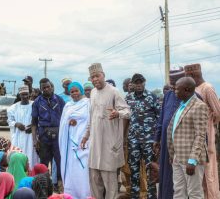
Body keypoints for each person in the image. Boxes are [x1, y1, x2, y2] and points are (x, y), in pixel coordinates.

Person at [80, 63, 131, 199]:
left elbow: (127, 111)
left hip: (109, 143)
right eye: (92, 77)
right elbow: (92, 117)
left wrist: (118, 113)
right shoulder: (92, 92)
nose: (95, 79)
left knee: (110, 184)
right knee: (95, 180)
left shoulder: (114, 91)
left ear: (103, 75)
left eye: (97, 76)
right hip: (95, 144)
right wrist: (86, 135)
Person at [168, 77, 208, 198]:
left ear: (187, 90)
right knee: (179, 192)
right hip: (177, 157)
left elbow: (200, 135)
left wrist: (192, 160)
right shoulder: (182, 105)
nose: (174, 91)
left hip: (191, 159)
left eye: (177, 89)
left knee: (194, 193)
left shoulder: (199, 106)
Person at [185, 63, 220, 199]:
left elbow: (217, 112)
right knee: (197, 173)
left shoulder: (207, 88)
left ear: (193, 75)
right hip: (193, 137)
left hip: (206, 135)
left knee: (208, 172)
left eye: (187, 76)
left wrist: (208, 124)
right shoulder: (192, 88)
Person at [125, 73, 160, 199]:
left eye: (141, 82)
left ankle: (151, 196)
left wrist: (157, 138)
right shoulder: (128, 98)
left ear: (144, 83)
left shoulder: (152, 97)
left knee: (150, 169)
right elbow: (126, 117)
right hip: (133, 140)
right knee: (133, 169)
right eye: (136, 83)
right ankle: (135, 195)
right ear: (133, 84)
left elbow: (159, 117)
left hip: (149, 140)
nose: (139, 85)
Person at [153, 67, 185, 199]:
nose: (172, 84)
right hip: (166, 143)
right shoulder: (168, 95)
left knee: (182, 180)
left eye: (175, 81)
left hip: (183, 145)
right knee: (166, 175)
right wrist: (157, 138)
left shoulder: (193, 97)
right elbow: (161, 119)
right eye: (171, 81)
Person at [31, 78, 65, 191]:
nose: (46, 89)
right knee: (44, 164)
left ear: (52, 87)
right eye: (43, 88)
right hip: (44, 136)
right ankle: (44, 188)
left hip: (58, 136)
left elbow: (65, 119)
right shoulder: (37, 102)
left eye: (48, 87)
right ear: (41, 89)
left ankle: (59, 186)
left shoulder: (59, 100)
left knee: (60, 162)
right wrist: (35, 140)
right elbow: (34, 123)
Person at [59, 82, 91, 198]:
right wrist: (69, 123)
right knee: (71, 168)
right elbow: (63, 123)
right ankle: (71, 194)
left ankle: (85, 194)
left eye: (76, 91)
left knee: (83, 168)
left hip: (84, 141)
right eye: (72, 92)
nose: (74, 94)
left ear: (81, 91)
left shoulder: (88, 103)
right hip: (69, 143)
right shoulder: (68, 105)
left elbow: (90, 121)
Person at [8, 85, 39, 170]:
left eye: (26, 94)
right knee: (18, 154)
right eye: (23, 94)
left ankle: (31, 173)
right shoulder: (13, 108)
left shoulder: (35, 105)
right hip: (19, 136)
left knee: (31, 156)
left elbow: (39, 119)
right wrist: (16, 124)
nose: (25, 96)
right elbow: (10, 121)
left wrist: (33, 127)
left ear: (29, 94)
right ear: (19, 95)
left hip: (31, 136)